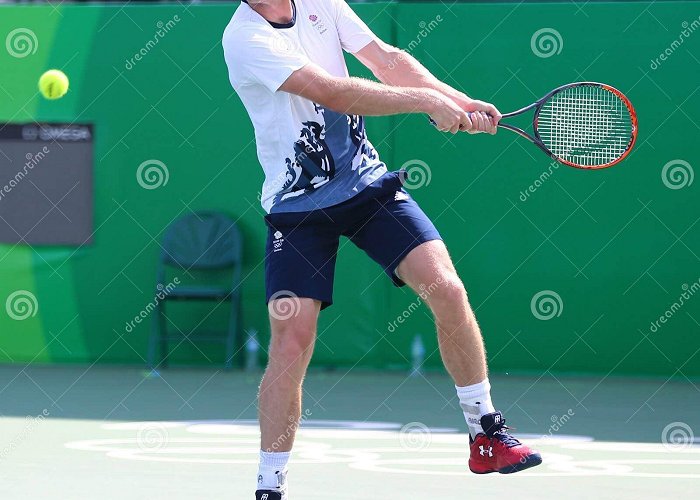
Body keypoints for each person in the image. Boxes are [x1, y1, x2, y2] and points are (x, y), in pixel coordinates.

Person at [222, 1, 542, 498]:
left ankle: (486, 433)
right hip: (297, 208)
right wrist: (425, 104)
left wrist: (458, 100)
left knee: (446, 288)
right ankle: (270, 486)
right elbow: (330, 91)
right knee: (291, 341)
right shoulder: (243, 38)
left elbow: (386, 59)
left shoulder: (321, 4)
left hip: (369, 189)